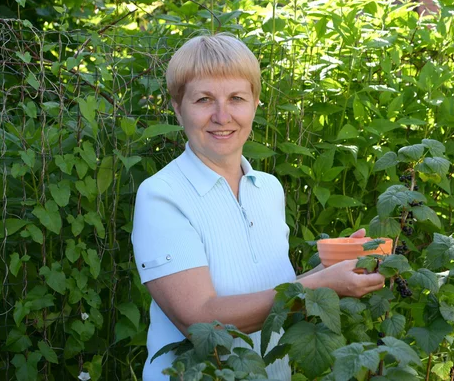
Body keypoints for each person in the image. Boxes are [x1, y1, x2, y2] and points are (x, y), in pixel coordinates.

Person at [131, 34, 385, 380]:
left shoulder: (268, 188)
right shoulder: (161, 195)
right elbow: (199, 321)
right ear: (178, 108)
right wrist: (323, 285)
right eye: (204, 99)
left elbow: (273, 295)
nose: (222, 116)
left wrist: (334, 268)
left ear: (255, 103)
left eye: (236, 98)